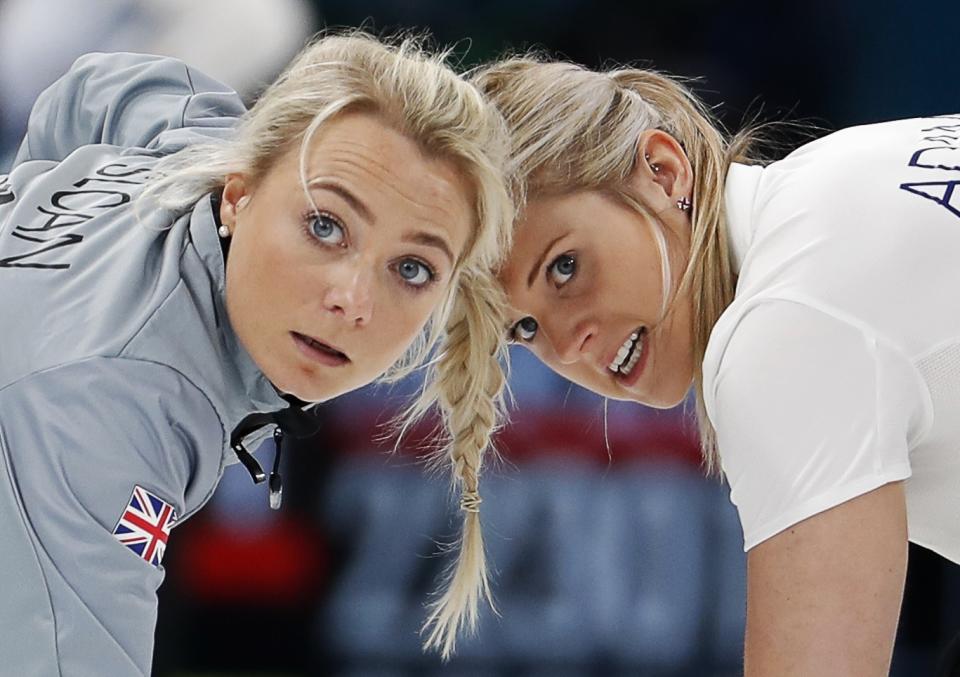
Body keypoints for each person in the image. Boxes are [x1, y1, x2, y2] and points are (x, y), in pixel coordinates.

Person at [0, 32, 513, 674]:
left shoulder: (194, 142)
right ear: (237, 196)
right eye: (325, 226)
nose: (353, 299)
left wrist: (35, 242)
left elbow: (98, 87)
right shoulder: (107, 422)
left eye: (411, 269)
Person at [472, 56, 960, 674]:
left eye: (565, 267)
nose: (565, 349)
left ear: (661, 170)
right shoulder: (845, 169)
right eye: (525, 328)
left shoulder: (784, 332)